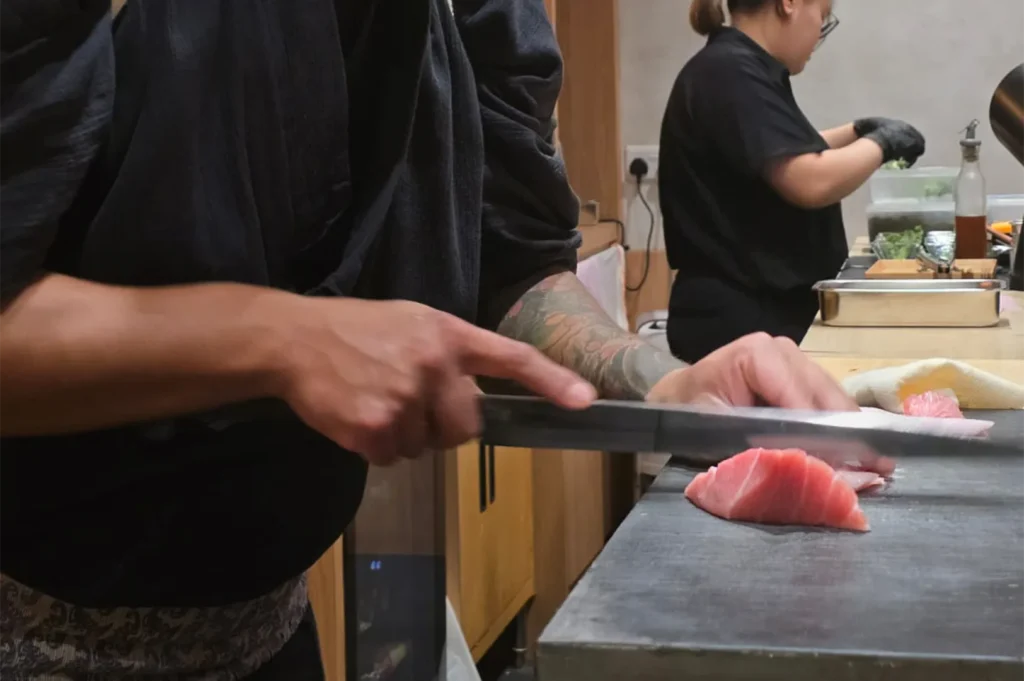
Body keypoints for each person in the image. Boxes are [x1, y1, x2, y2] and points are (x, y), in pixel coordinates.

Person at [0, 0, 865, 678]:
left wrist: (661, 382)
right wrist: (277, 337)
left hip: (264, 629)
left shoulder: (481, 14)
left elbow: (514, 262)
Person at [660, 0, 927, 364]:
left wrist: (857, 131)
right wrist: (883, 144)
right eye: (823, 16)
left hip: (755, 312)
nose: (819, 33)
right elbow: (808, 180)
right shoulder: (730, 71)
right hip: (743, 320)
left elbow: (781, 151)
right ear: (789, 4)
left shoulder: (739, 67)